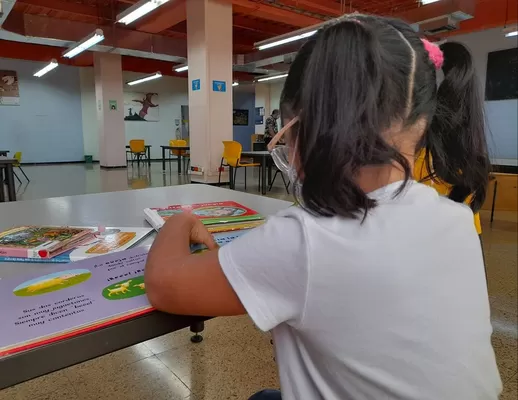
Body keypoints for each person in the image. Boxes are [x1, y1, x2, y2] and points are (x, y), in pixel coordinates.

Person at [144, 14, 501, 400]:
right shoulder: (456, 218)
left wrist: (179, 221)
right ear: (423, 124)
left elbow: (164, 285)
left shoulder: (307, 238)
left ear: (304, 129)